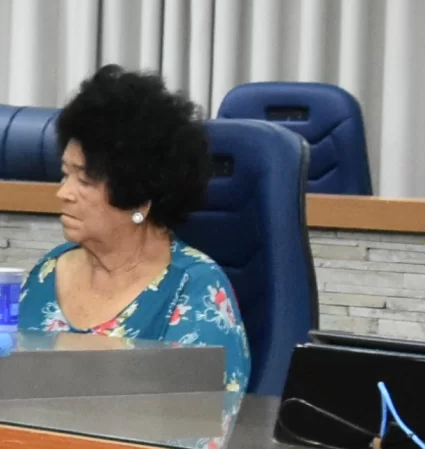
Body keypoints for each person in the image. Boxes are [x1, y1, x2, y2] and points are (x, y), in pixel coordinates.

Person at [13, 67, 252, 397]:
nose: (63, 193)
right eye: (65, 174)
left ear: (138, 195)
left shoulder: (196, 290)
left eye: (85, 180)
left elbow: (202, 418)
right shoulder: (47, 271)